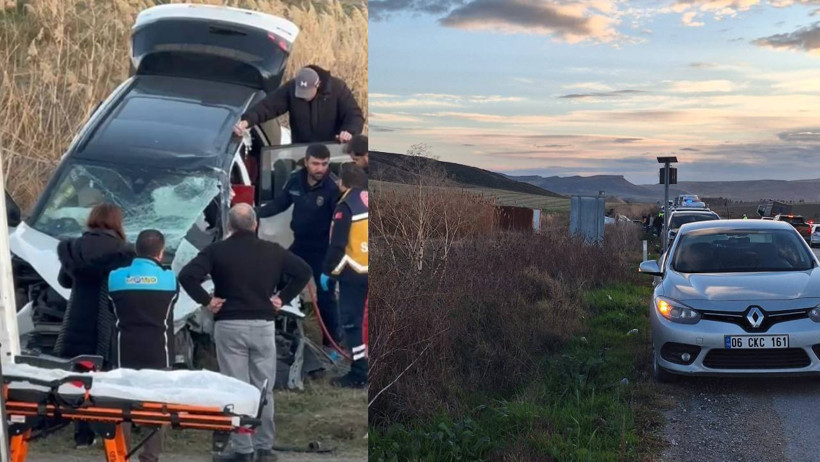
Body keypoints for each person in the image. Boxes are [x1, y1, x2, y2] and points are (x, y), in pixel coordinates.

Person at [179, 204, 312, 462]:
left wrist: (207, 301)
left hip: (229, 326)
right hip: (262, 325)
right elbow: (304, 271)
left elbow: (187, 275)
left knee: (236, 389)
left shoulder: (216, 251)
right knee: (264, 388)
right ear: (255, 225)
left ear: (229, 226)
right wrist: (282, 298)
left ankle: (243, 449)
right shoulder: (272, 251)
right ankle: (264, 447)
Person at [55, 203, 135, 448]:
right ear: (116, 222)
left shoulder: (74, 248)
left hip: (77, 315)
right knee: (105, 375)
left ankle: (81, 434)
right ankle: (104, 428)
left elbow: (64, 280)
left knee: (77, 374)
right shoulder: (123, 251)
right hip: (106, 317)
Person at [256, 144, 344, 353]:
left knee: (326, 297)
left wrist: (335, 255)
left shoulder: (333, 188)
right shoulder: (295, 179)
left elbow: (339, 224)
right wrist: (253, 213)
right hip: (300, 243)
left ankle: (332, 345)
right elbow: (280, 204)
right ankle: (275, 330)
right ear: (306, 162)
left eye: (324, 164)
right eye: (315, 163)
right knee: (279, 278)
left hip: (323, 248)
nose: (320, 168)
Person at [108, 230, 178, 462]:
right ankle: (151, 455)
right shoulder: (169, 279)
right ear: (160, 253)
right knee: (155, 405)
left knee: (122, 405)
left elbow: (110, 308)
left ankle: (120, 453)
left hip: (124, 350)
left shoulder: (115, 278)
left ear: (136, 250)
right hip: (159, 351)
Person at [321, 164, 369, 388]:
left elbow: (338, 244)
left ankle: (359, 372)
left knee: (352, 322)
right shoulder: (367, 199)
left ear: (342, 182)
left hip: (354, 271)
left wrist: (328, 271)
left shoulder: (346, 205)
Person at [233, 65, 364, 144]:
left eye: (307, 93)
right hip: (301, 152)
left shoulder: (337, 89)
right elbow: (268, 106)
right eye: (301, 94)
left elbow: (355, 115)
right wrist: (247, 121)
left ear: (318, 86)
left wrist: (348, 131)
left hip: (333, 150)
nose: (304, 97)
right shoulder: (291, 88)